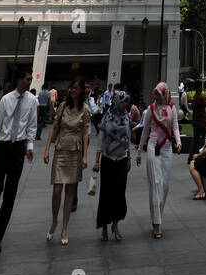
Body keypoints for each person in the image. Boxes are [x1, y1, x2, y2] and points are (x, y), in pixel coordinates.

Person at [0, 65, 38, 254]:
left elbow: (32, 126)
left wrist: (29, 147)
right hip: (2, 147)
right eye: (28, 79)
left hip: (18, 148)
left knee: (10, 193)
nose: (30, 82)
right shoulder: (6, 100)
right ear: (19, 80)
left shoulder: (32, 101)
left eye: (31, 79)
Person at [43, 78, 89, 244]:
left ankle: (64, 227)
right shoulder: (63, 106)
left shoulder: (85, 109)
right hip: (61, 148)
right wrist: (47, 148)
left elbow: (85, 133)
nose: (73, 91)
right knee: (57, 190)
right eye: (72, 88)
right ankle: (55, 220)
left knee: (70, 191)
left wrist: (85, 155)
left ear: (81, 91)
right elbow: (54, 127)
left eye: (76, 88)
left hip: (75, 150)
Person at [136, 81, 182, 239]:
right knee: (156, 183)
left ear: (164, 94)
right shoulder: (150, 110)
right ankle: (157, 223)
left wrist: (179, 141)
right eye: (155, 93)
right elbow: (144, 131)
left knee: (165, 185)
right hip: (153, 146)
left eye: (158, 94)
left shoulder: (172, 108)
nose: (155, 96)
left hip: (167, 148)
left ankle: (157, 216)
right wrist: (139, 151)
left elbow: (175, 126)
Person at [93, 88, 132, 241]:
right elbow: (100, 141)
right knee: (106, 193)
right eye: (123, 101)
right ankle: (104, 226)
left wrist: (129, 157)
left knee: (119, 193)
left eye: (127, 101)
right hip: (108, 159)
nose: (125, 104)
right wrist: (96, 161)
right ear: (117, 101)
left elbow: (128, 139)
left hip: (121, 159)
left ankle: (115, 225)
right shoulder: (107, 118)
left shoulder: (126, 117)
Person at [191, 80, 206, 155]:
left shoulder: (195, 97)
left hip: (196, 121)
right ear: (198, 88)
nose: (202, 89)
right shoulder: (199, 98)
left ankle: (192, 156)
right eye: (201, 87)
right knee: (204, 139)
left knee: (196, 139)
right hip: (201, 121)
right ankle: (202, 154)